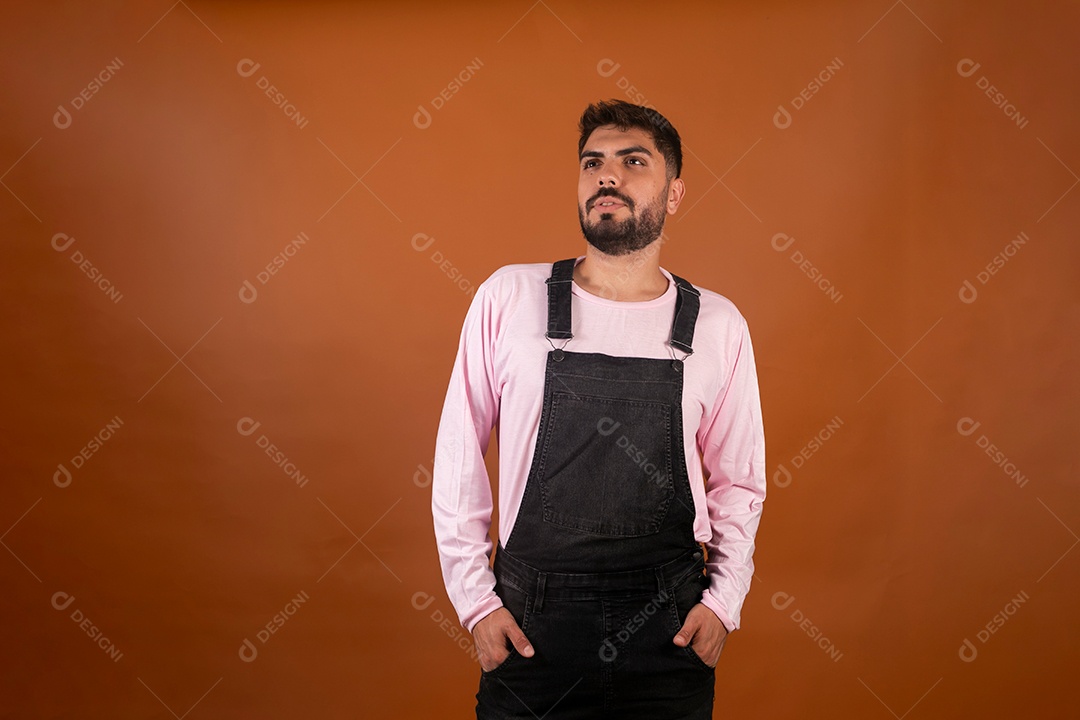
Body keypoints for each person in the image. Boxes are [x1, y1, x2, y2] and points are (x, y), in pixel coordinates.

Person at [432, 99, 766, 719]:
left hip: (668, 631)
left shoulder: (717, 324)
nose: (606, 176)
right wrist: (476, 604)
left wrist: (723, 605)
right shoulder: (509, 296)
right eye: (593, 163)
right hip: (530, 631)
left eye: (631, 161)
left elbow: (740, 483)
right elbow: (458, 454)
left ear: (674, 191)